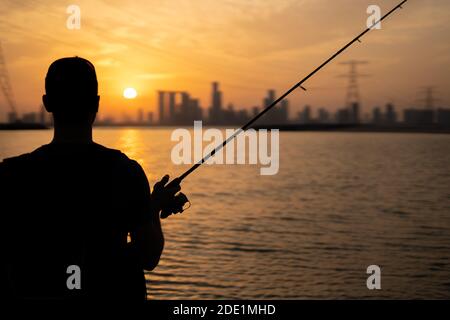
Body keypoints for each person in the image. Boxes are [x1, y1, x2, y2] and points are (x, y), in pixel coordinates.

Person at [0, 57, 183, 300]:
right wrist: (151, 212)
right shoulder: (125, 172)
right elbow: (147, 256)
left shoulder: (12, 174)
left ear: (47, 103)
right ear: (96, 104)